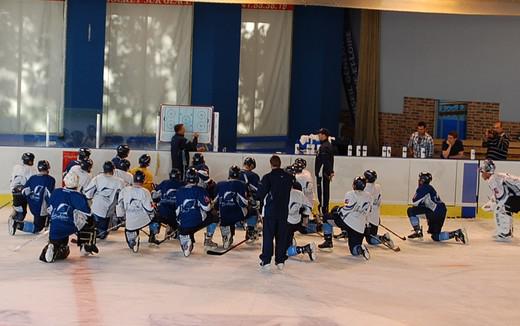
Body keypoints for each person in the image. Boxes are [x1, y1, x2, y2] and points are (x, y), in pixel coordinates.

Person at [39, 173, 98, 263]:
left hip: (55, 226)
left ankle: (53, 245)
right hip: (70, 225)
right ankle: (86, 245)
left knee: (60, 243)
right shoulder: (79, 196)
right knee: (90, 221)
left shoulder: (56, 192)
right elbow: (88, 214)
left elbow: (50, 209)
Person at [255, 155, 294, 271]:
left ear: (271, 164)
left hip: (270, 212)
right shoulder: (289, 177)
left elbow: (260, 195)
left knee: (268, 236)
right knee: (281, 237)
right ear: (280, 163)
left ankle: (266, 261)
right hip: (283, 212)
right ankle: (280, 261)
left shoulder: (268, 177)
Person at [318, 177, 371, 260]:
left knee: (326, 217)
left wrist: (338, 210)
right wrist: (366, 226)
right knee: (354, 251)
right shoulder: (368, 196)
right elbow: (368, 212)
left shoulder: (350, 193)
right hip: (359, 227)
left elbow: (347, 209)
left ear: (355, 185)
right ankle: (360, 249)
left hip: (347, 222)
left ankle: (328, 241)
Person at [407, 172, 467, 243]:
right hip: (441, 211)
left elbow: (415, 202)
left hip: (434, 213)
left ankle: (418, 231)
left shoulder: (424, 187)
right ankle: (456, 233)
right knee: (435, 236)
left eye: (420, 179)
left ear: (422, 180)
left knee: (411, 210)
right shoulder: (430, 188)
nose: (418, 181)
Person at [175, 168, 219, 257]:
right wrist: (211, 204)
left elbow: (177, 210)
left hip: (183, 224)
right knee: (214, 216)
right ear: (197, 179)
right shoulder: (201, 190)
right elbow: (207, 208)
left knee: (185, 225)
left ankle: (185, 238)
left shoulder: (179, 191)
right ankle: (208, 240)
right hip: (197, 222)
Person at [9, 160, 56, 235]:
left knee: (40, 221)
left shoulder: (33, 178)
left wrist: (30, 199)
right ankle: (17, 224)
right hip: (41, 208)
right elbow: (49, 195)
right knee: (38, 227)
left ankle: (46, 222)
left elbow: (24, 191)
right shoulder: (50, 180)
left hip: (33, 205)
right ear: (47, 168)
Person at [117, 171, 158, 252]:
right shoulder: (145, 191)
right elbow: (150, 208)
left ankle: (133, 239)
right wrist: (154, 205)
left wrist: (121, 216)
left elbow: (119, 205)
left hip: (130, 222)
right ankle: (152, 235)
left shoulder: (124, 190)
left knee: (130, 229)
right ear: (143, 180)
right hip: (144, 220)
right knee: (156, 217)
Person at [480, 159, 520, 241]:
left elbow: (502, 197)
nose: (481, 174)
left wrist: (493, 205)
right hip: (517, 195)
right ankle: (507, 232)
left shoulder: (492, 180)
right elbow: (504, 193)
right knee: (503, 208)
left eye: (482, 171)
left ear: (487, 171)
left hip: (517, 196)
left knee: (499, 210)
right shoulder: (497, 177)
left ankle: (504, 234)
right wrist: (493, 201)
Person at [84, 161, 125, 239]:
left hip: (96, 207)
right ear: (113, 170)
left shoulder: (97, 178)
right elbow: (122, 196)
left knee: (99, 229)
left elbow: (88, 193)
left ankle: (95, 232)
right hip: (109, 210)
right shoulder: (119, 181)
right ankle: (99, 232)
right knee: (103, 233)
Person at [215, 166, 249, 249]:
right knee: (253, 211)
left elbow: (215, 201)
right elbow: (244, 203)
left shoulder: (220, 184)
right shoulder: (242, 184)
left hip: (223, 216)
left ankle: (224, 236)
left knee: (223, 219)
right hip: (237, 214)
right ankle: (251, 230)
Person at [363, 170, 396, 250]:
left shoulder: (364, 188)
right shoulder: (378, 186)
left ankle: (383, 238)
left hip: (367, 219)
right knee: (371, 237)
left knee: (368, 238)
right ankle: (383, 238)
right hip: (375, 218)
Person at [286, 180, 316, 261]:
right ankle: (290, 241)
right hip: (297, 222)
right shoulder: (300, 193)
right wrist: (305, 218)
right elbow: (308, 207)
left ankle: (306, 248)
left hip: (287, 224)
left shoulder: (285, 193)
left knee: (284, 252)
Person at [152, 168, 186, 240]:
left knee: (155, 213)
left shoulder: (165, 182)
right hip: (177, 216)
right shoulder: (184, 184)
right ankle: (176, 232)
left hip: (163, 213)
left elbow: (154, 195)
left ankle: (154, 232)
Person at [9, 152, 37, 228]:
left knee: (21, 211)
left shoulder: (16, 167)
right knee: (33, 210)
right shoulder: (32, 170)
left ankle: (15, 211)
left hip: (15, 193)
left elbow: (12, 181)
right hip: (25, 193)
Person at [239, 157, 261, 242]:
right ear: (251, 165)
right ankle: (250, 230)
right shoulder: (253, 176)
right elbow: (257, 191)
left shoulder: (236, 173)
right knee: (253, 210)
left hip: (233, 202)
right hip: (246, 203)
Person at [315, 128, 334, 215]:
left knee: (322, 193)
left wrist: (330, 172)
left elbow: (325, 160)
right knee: (325, 192)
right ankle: (324, 210)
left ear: (324, 135)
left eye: (320, 134)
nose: (319, 135)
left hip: (323, 174)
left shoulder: (324, 147)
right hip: (325, 173)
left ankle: (323, 212)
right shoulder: (326, 145)